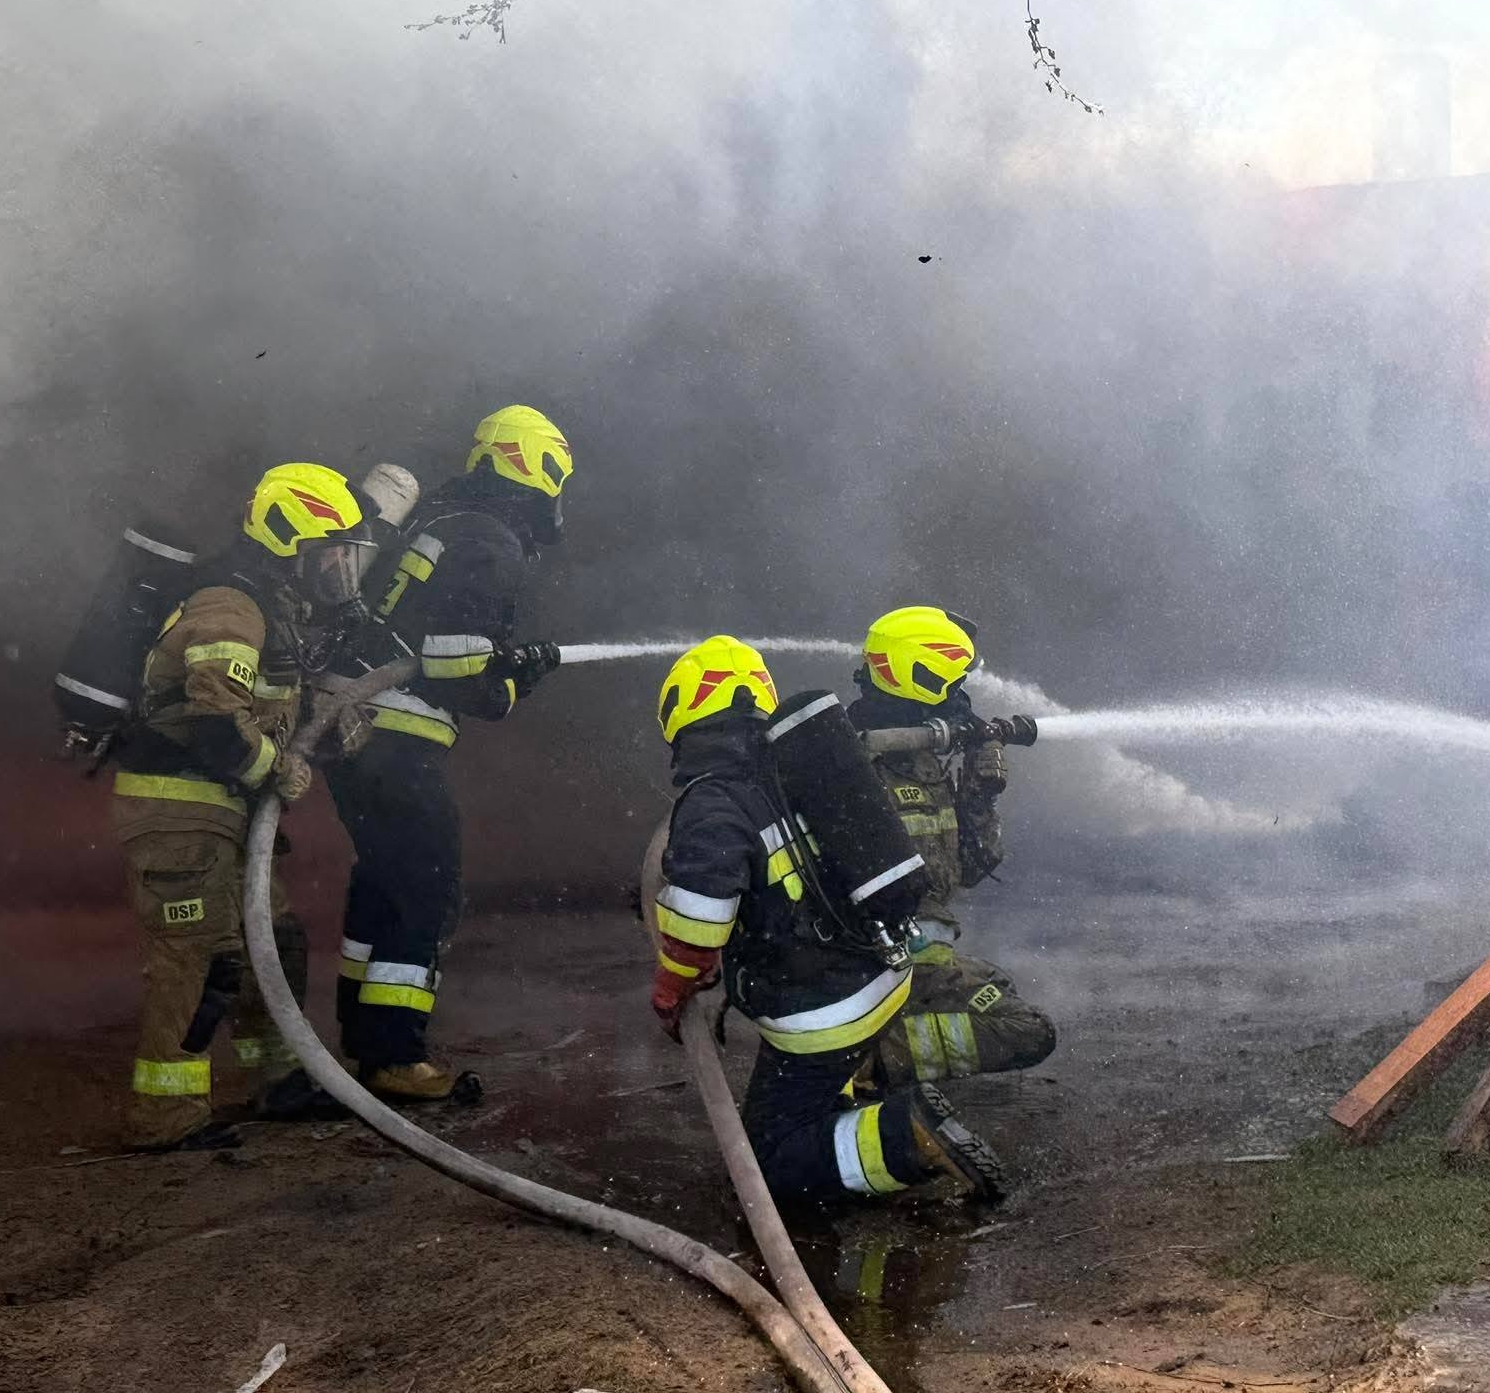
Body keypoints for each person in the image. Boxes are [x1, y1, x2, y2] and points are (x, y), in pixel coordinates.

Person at [648, 635, 1007, 1202]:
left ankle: (904, 1136)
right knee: (803, 1094)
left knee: (767, 1162)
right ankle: (845, 1106)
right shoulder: (797, 770)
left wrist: (672, 985)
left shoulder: (714, 799)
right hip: (880, 968)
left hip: (825, 1009)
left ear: (681, 711)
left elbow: (700, 922)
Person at [111, 462, 372, 1151]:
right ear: (290, 541)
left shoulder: (270, 607)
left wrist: (325, 724)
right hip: (177, 812)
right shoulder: (231, 604)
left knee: (273, 942)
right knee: (199, 957)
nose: (342, 568)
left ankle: (280, 1082)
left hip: (217, 814)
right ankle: (164, 1114)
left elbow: (263, 703)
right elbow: (210, 721)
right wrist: (274, 767)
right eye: (332, 553)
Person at [326, 405, 570, 1101]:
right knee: (429, 887)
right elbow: (458, 668)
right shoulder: (491, 538)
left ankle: (362, 1039)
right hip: (396, 737)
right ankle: (395, 1055)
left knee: (383, 879)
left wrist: (505, 664)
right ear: (537, 465)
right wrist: (513, 681)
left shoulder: (439, 519)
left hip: (351, 728)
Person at [845, 606, 1055, 1089]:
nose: (959, 698)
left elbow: (969, 869)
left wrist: (980, 794)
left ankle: (877, 1051)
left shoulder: (920, 761)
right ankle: (862, 1066)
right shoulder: (852, 766)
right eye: (950, 684)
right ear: (917, 679)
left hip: (917, 959)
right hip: (870, 967)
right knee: (1025, 1031)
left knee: (999, 991)